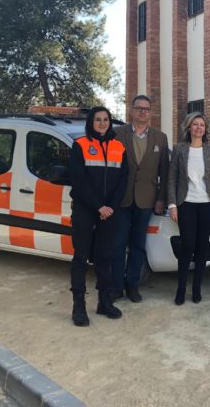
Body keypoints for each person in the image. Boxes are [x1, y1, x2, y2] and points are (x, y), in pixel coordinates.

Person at [69, 107, 128, 327]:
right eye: (98, 119)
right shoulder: (80, 145)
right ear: (90, 123)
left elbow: (123, 180)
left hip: (109, 211)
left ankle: (104, 302)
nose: (102, 123)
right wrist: (98, 206)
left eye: (106, 119)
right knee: (81, 257)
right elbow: (79, 181)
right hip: (85, 209)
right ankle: (78, 306)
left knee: (105, 256)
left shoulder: (119, 147)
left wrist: (110, 206)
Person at [111, 95, 169, 303]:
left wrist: (161, 198)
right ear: (131, 111)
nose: (143, 112)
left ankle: (132, 285)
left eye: (146, 108)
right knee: (118, 245)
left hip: (146, 201)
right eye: (139, 108)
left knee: (138, 246)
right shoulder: (117, 134)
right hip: (121, 200)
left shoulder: (160, 138)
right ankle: (116, 287)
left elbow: (165, 171)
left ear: (150, 112)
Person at [167, 112, 210, 305]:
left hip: (207, 204)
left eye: (202, 125)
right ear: (188, 127)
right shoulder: (179, 149)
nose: (198, 127)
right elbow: (172, 178)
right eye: (195, 124)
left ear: (205, 129)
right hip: (186, 204)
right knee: (187, 246)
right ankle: (181, 289)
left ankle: (197, 289)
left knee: (202, 247)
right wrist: (172, 204)